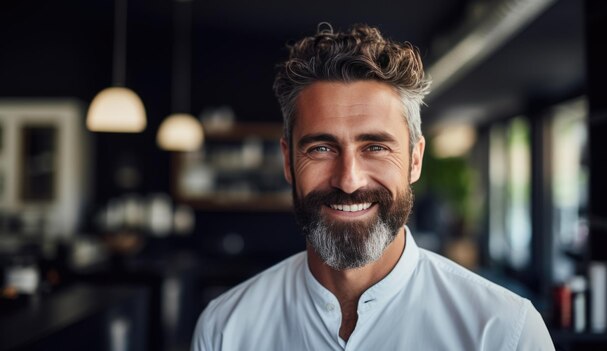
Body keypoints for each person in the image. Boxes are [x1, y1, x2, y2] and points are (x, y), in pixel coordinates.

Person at [192, 23, 554, 350]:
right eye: (321, 148)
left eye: (376, 147)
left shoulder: (505, 332)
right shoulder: (226, 329)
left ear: (415, 159)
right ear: (288, 162)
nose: (349, 180)